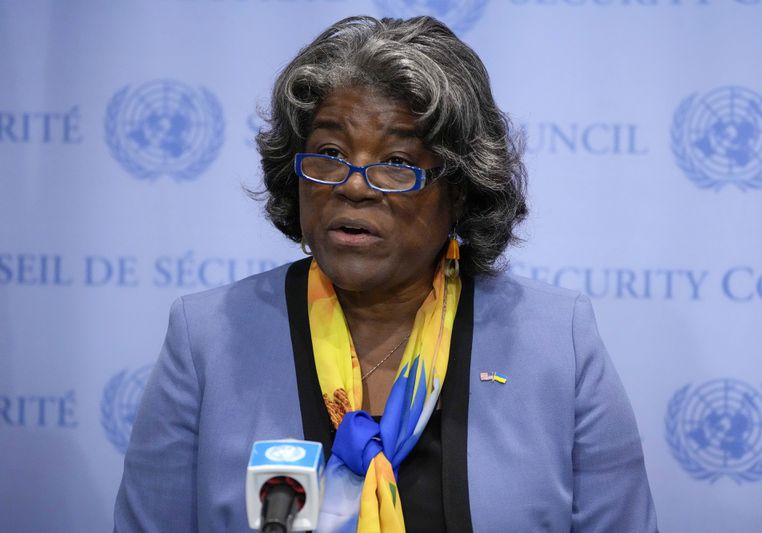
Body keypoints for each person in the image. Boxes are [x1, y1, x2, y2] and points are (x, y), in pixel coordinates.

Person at [114, 15, 657, 533]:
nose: (353, 185)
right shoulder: (207, 337)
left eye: (396, 161)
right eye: (329, 152)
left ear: (461, 189)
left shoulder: (556, 341)